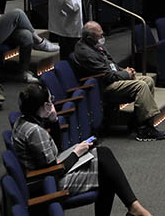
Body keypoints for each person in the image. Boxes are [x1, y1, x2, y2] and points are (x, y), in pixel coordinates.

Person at [12, 83, 153, 216]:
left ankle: (134, 208)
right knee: (106, 173)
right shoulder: (35, 132)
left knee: (104, 153)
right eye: (50, 101)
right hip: (49, 184)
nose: (52, 104)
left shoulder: (24, 121)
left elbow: (55, 151)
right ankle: (135, 208)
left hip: (46, 174)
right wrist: (76, 153)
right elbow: (54, 170)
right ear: (45, 106)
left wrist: (54, 121)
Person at [71, 21, 165, 142]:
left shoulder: (93, 45)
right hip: (101, 87)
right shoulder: (86, 53)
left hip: (111, 79)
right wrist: (126, 74)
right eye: (100, 36)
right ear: (90, 38)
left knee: (148, 80)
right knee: (141, 85)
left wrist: (125, 71)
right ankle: (144, 129)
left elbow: (111, 64)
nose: (102, 38)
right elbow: (107, 76)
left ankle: (138, 123)